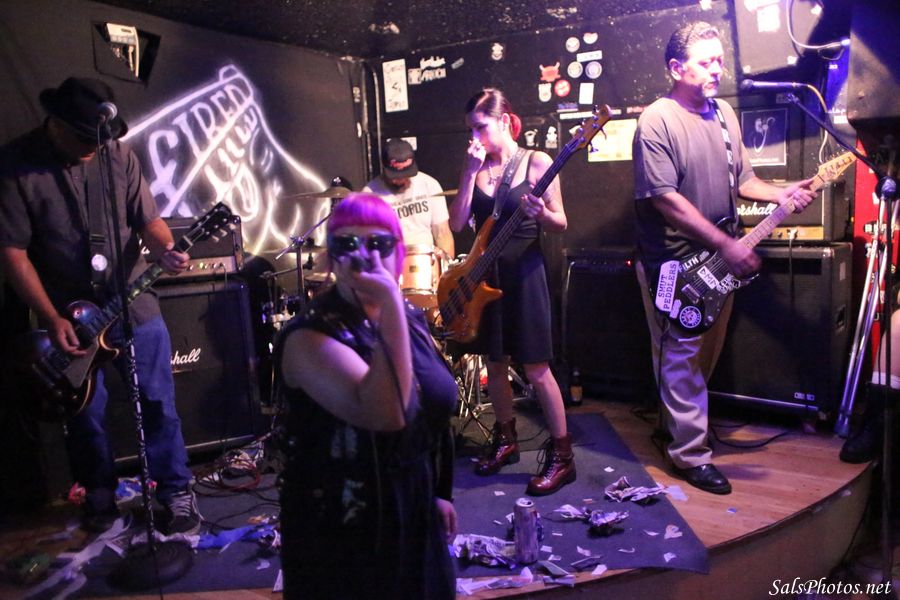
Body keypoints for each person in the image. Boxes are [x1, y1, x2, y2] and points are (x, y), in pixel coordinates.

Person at [0, 77, 201, 534]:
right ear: (55, 123)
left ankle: (175, 491)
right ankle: (99, 495)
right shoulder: (15, 164)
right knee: (85, 413)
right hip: (67, 313)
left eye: (99, 140)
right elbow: (11, 251)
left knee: (157, 401)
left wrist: (166, 249)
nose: (93, 148)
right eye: (83, 139)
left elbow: (149, 220)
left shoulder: (118, 154)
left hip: (132, 301)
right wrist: (49, 317)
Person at [632, 22, 817, 495]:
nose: (718, 69)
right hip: (673, 263)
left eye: (719, 59)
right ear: (677, 68)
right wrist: (726, 244)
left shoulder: (724, 114)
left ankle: (675, 429)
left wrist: (782, 193)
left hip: (718, 260)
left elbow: (744, 180)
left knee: (704, 351)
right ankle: (690, 455)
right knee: (681, 353)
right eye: (706, 61)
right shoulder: (657, 120)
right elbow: (666, 200)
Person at [275, 192, 457, 599]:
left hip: (411, 503)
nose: (364, 256)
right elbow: (387, 414)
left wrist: (438, 492)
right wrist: (390, 300)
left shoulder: (408, 317)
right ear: (330, 258)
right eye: (347, 244)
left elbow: (433, 407)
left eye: (378, 243)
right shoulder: (309, 335)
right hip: (344, 520)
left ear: (399, 252)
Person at [449, 87, 575, 496]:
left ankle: (563, 456)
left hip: (525, 274)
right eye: (470, 129)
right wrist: (467, 173)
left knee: (536, 368)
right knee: (496, 362)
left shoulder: (536, 161)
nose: (475, 137)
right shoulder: (475, 166)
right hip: (486, 279)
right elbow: (457, 224)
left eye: (481, 127)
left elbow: (561, 222)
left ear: (504, 120)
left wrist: (543, 214)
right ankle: (506, 440)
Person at [363, 138, 455, 259]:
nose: (401, 180)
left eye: (406, 175)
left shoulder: (429, 185)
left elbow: (442, 233)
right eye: (395, 176)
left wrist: (447, 265)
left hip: (426, 260)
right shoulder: (369, 196)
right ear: (384, 167)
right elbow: (367, 243)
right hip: (391, 261)